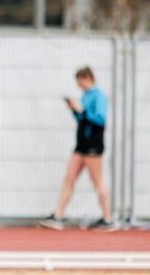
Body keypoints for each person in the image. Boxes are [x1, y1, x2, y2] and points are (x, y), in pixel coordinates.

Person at [39, 66, 114, 231]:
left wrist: (82, 110)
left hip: (93, 145)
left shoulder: (99, 96)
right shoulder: (85, 96)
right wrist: (74, 110)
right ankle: (58, 215)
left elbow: (100, 120)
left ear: (88, 78)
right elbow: (82, 119)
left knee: (97, 181)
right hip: (81, 145)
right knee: (69, 178)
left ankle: (108, 218)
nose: (79, 86)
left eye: (80, 82)